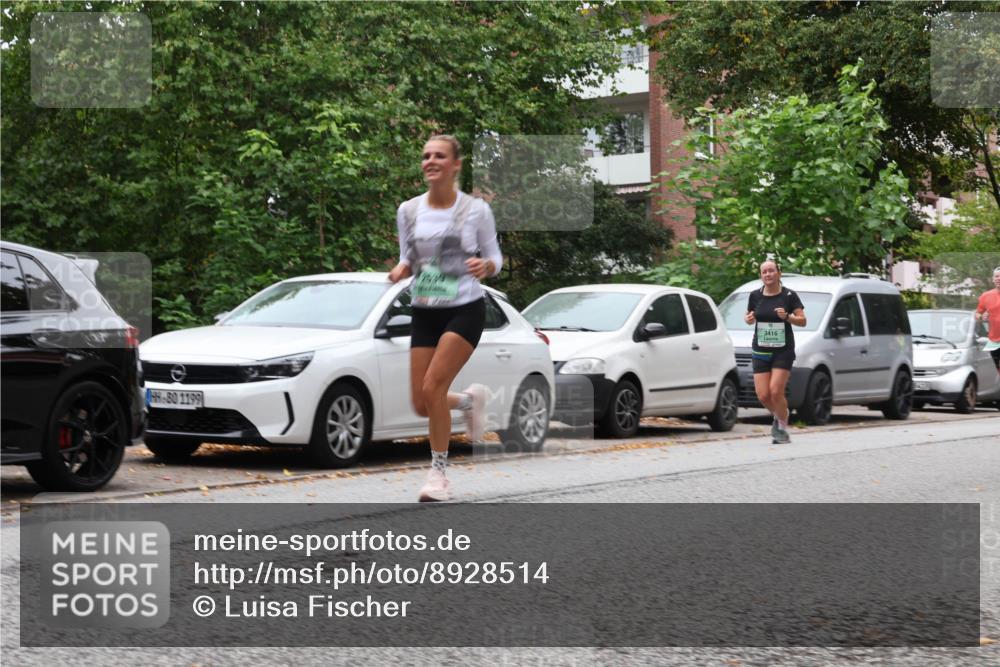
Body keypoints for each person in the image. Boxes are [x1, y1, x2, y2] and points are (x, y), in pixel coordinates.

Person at [388, 134, 503, 502]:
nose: (430, 161)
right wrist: (401, 269)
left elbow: (495, 259)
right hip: (424, 310)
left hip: (465, 310)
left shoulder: (476, 211)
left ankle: (438, 476)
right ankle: (470, 401)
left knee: (433, 388)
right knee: (421, 402)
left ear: (455, 165)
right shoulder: (408, 211)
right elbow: (409, 258)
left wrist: (485, 265)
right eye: (425, 156)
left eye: (439, 155)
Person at [744, 259, 806, 444]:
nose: (768, 274)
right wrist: (748, 319)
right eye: (764, 272)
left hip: (783, 350)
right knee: (763, 395)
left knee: (775, 391)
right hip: (760, 349)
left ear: (779, 273)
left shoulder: (789, 296)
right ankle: (781, 414)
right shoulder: (755, 295)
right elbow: (749, 317)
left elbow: (803, 321)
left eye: (771, 271)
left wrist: (787, 317)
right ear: (761, 276)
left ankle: (781, 425)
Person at [975, 266, 1000, 375]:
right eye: (997, 276)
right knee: (995, 370)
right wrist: (982, 317)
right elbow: (977, 314)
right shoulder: (986, 296)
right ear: (993, 279)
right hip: (994, 340)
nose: (999, 278)